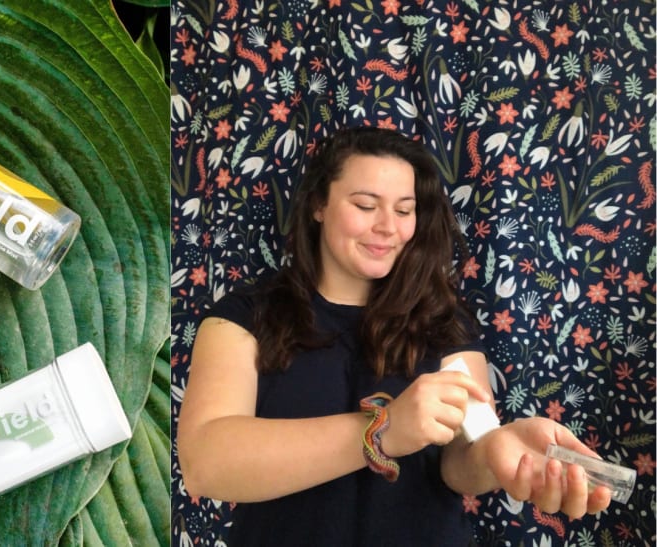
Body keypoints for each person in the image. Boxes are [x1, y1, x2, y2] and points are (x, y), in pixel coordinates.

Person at [176, 126, 612, 546]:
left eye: (404, 210)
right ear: (319, 206)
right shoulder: (243, 318)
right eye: (366, 205)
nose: (388, 226)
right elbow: (206, 464)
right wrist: (384, 430)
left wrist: (500, 448)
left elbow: (461, 462)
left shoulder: (445, 323)